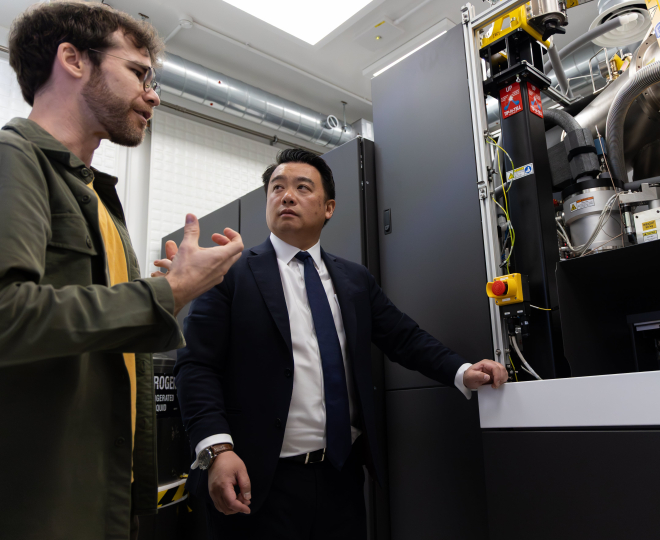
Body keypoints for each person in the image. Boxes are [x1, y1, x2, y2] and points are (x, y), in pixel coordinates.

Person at [0, 3, 244, 539]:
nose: (152, 94)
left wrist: (166, 294)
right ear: (73, 59)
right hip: (41, 504)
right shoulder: (13, 158)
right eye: (138, 72)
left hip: (104, 494)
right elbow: (7, 314)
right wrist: (166, 292)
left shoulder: (97, 198)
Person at [174, 149, 508, 539]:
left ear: (328, 207)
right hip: (258, 482)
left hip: (342, 478)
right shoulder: (231, 274)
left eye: (302, 187)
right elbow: (196, 365)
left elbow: (403, 336)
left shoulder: (353, 279)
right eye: (277, 188)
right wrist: (217, 450)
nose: (286, 196)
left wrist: (462, 371)